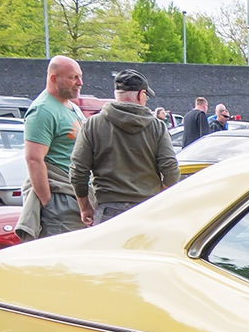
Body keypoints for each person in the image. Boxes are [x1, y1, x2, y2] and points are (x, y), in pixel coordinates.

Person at [68, 69, 179, 226]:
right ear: (141, 95)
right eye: (146, 96)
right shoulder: (157, 127)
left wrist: (84, 207)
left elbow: (78, 171)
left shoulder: (93, 125)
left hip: (108, 212)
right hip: (147, 209)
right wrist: (159, 199)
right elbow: (171, 170)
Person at [16, 55, 86, 240]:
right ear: (54, 78)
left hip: (74, 196)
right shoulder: (42, 110)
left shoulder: (71, 107)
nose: (80, 82)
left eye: (80, 76)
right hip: (59, 198)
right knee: (62, 260)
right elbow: (34, 159)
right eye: (73, 77)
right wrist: (48, 202)